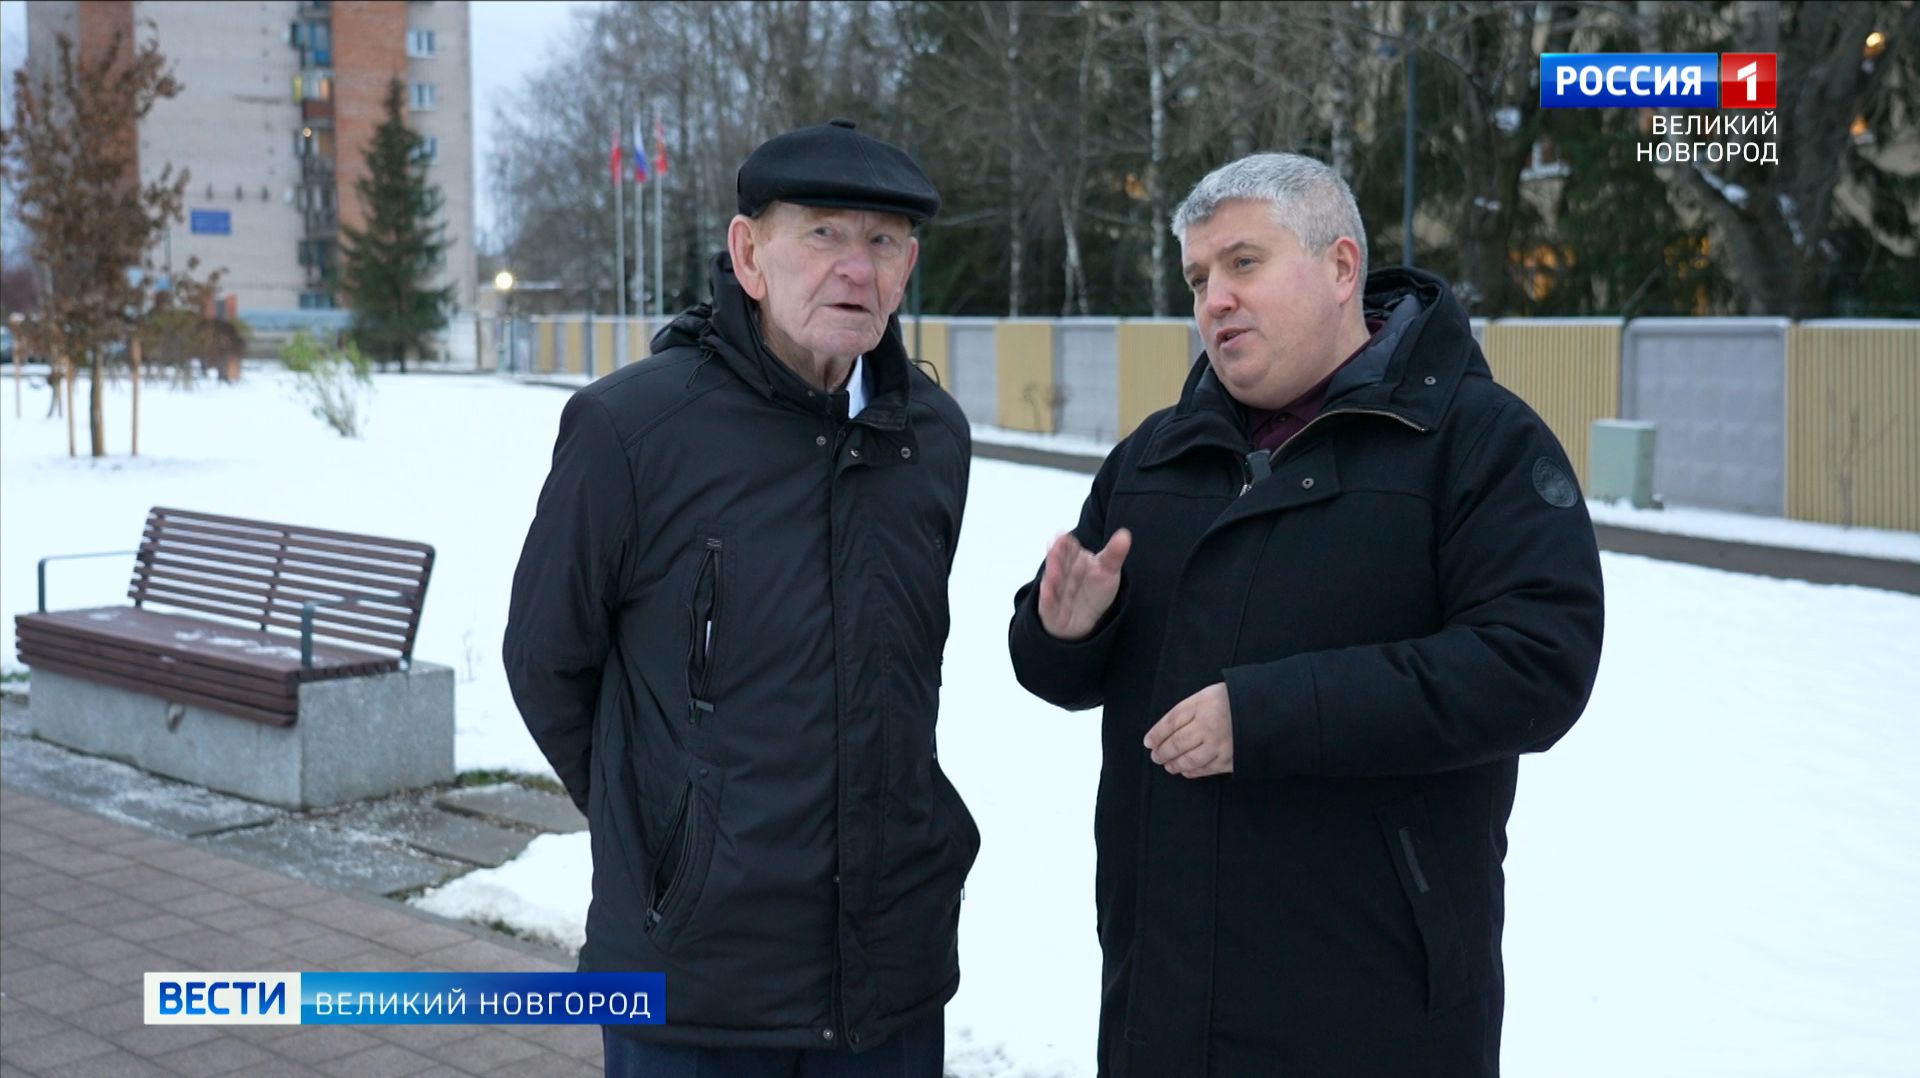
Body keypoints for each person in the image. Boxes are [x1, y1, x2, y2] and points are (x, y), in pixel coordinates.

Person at [1006, 152, 1605, 1076]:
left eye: (1244, 263)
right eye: (1198, 278)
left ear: (1340, 268)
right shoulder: (1156, 455)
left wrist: (1270, 716)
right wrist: (1064, 629)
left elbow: (1535, 665)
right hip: (1162, 1000)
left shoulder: (1475, 441)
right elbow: (1055, 670)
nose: (1215, 299)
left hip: (1374, 1009)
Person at [504, 119, 978, 1077]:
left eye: (883, 241)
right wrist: (671, 837)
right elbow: (546, 660)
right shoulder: (631, 429)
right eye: (822, 233)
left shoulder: (929, 435)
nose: (855, 268)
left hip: (888, 978)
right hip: (693, 982)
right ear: (748, 254)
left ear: (907, 268)